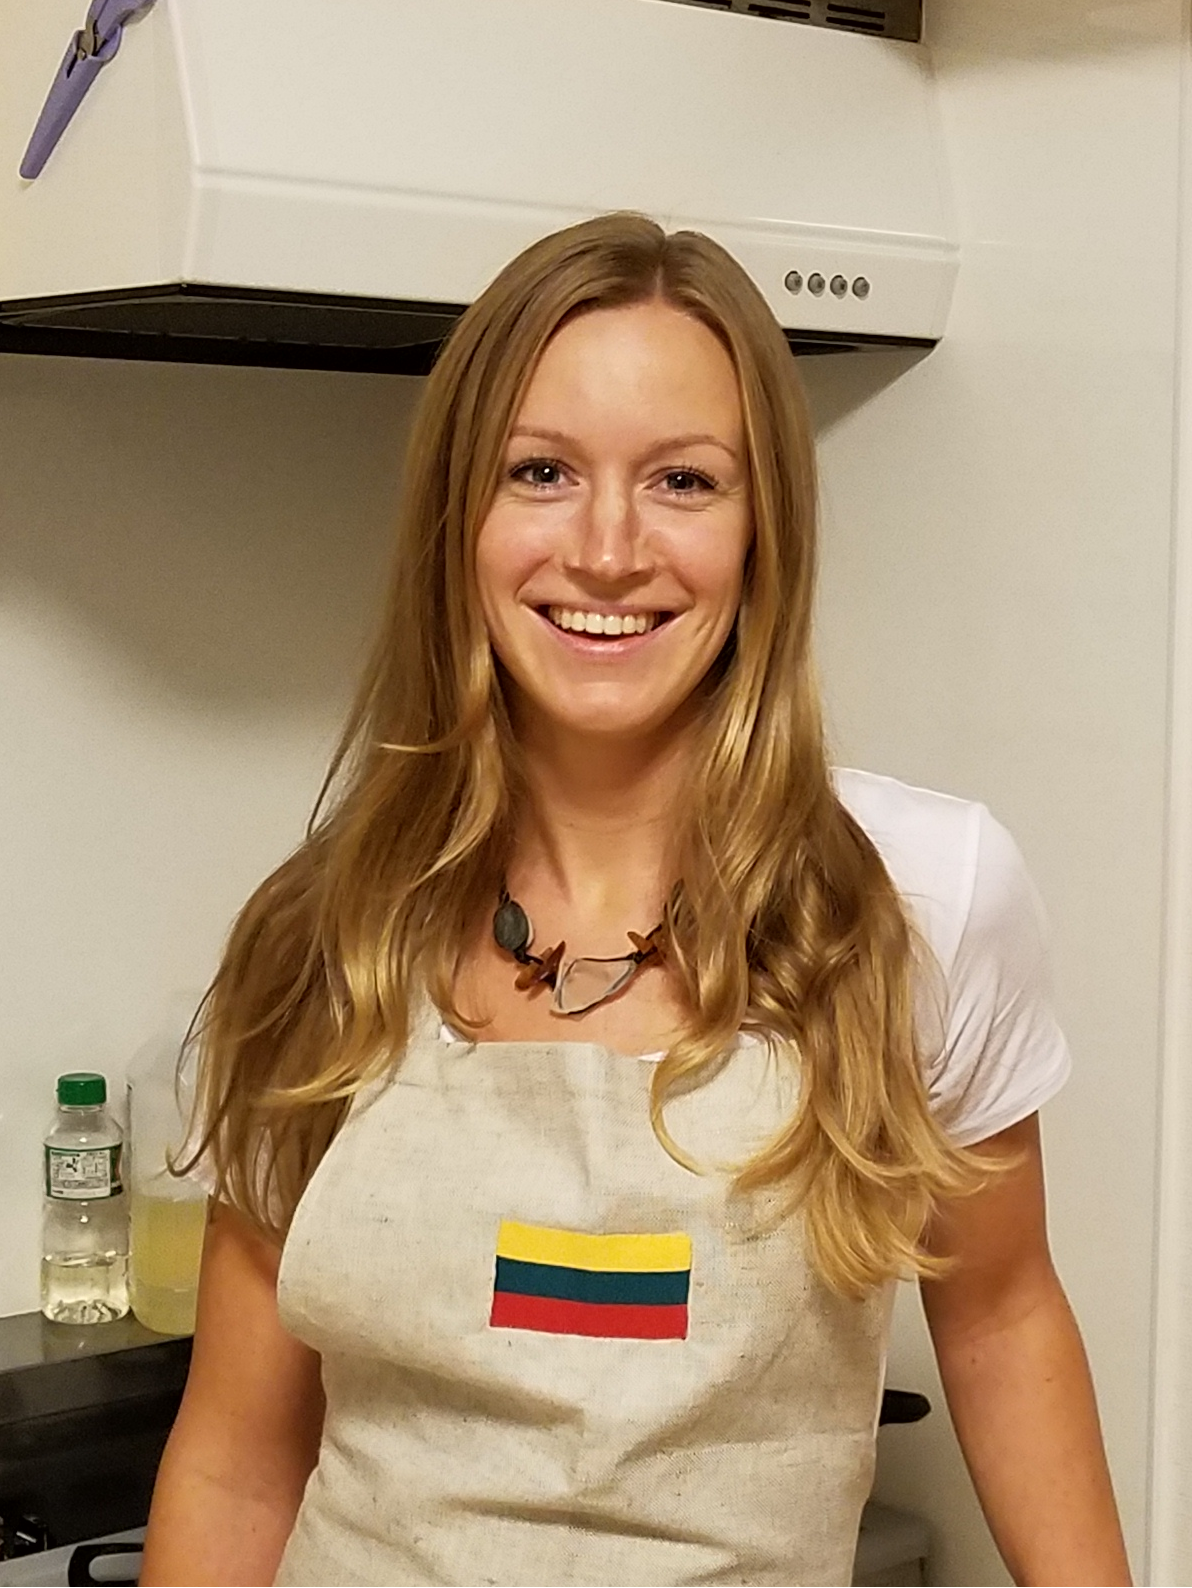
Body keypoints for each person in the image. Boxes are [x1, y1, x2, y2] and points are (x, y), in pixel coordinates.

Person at [139, 213, 1130, 1588]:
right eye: (540, 472)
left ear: (765, 529)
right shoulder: (326, 937)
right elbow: (240, 1464)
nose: (608, 550)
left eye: (683, 480)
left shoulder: (913, 904)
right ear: (458, 520)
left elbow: (1005, 1325)